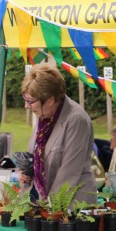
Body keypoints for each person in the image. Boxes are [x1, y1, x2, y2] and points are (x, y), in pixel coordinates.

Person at [20, 63, 96, 204]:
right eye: (25, 100)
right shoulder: (43, 117)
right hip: (47, 205)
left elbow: (69, 173)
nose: (26, 106)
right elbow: (38, 156)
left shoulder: (76, 119)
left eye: (30, 101)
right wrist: (28, 171)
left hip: (72, 206)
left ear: (50, 100)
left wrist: (47, 210)